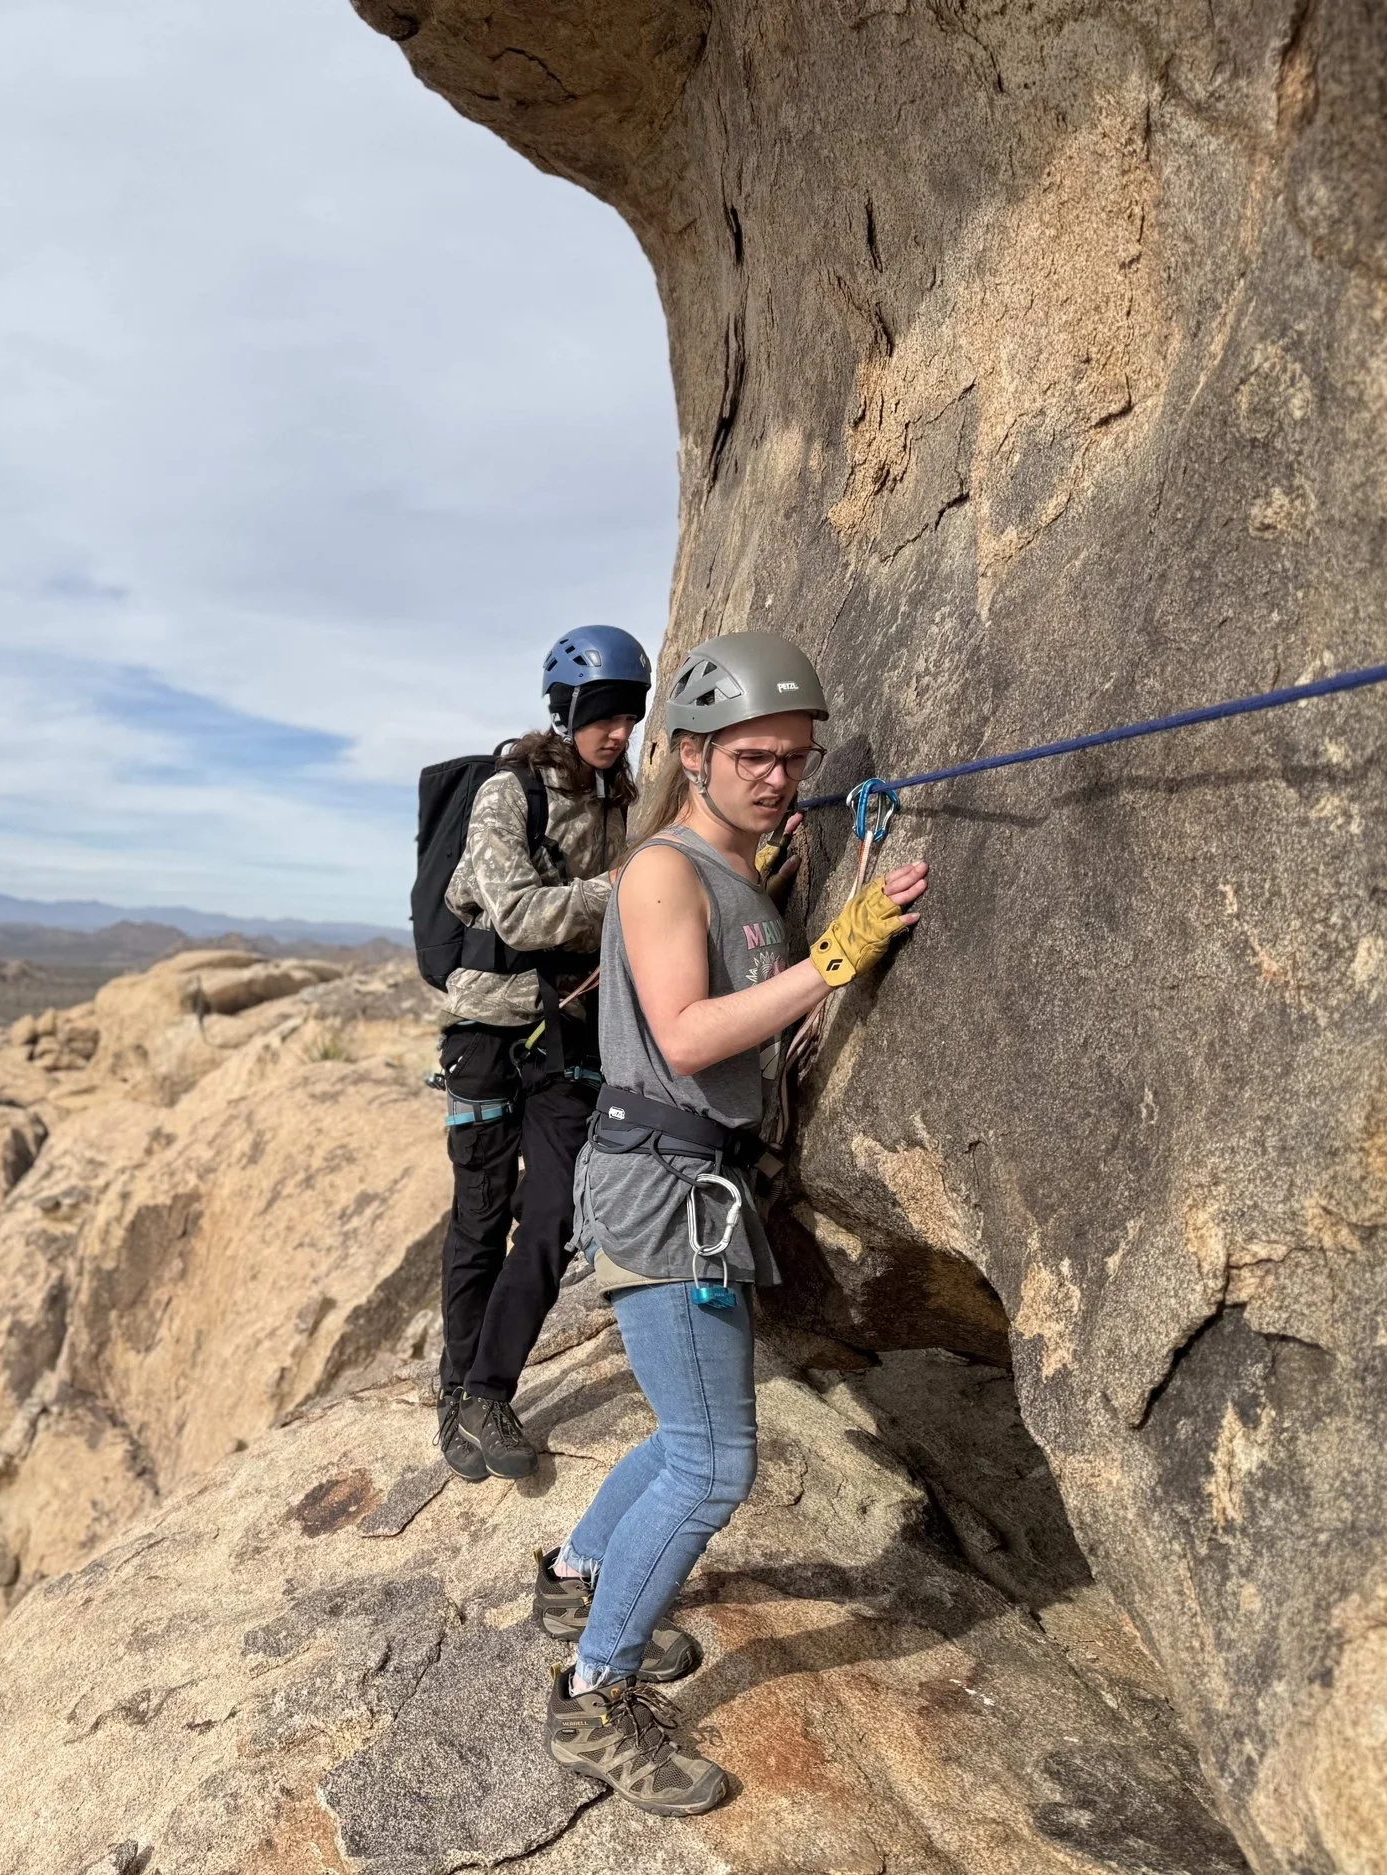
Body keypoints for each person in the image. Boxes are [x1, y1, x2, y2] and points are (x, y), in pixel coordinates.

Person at [535, 632, 929, 1815]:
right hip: (661, 1187)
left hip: (691, 1180)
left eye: (792, 759)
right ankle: (590, 1697)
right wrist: (837, 954)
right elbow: (691, 1035)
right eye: (752, 755)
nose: (775, 776)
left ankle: (575, 1577)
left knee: (687, 1424)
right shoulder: (664, 871)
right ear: (691, 755)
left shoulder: (740, 869)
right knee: (714, 1462)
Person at [435, 625, 648, 1483]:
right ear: (563, 711)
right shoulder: (505, 794)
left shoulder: (619, 801)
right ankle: (455, 1393)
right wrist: (626, 891)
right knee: (483, 1217)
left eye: (629, 717)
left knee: (555, 1212)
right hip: (487, 1035)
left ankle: (491, 1387)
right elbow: (519, 916)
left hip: (566, 1033)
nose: (617, 731)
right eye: (602, 714)